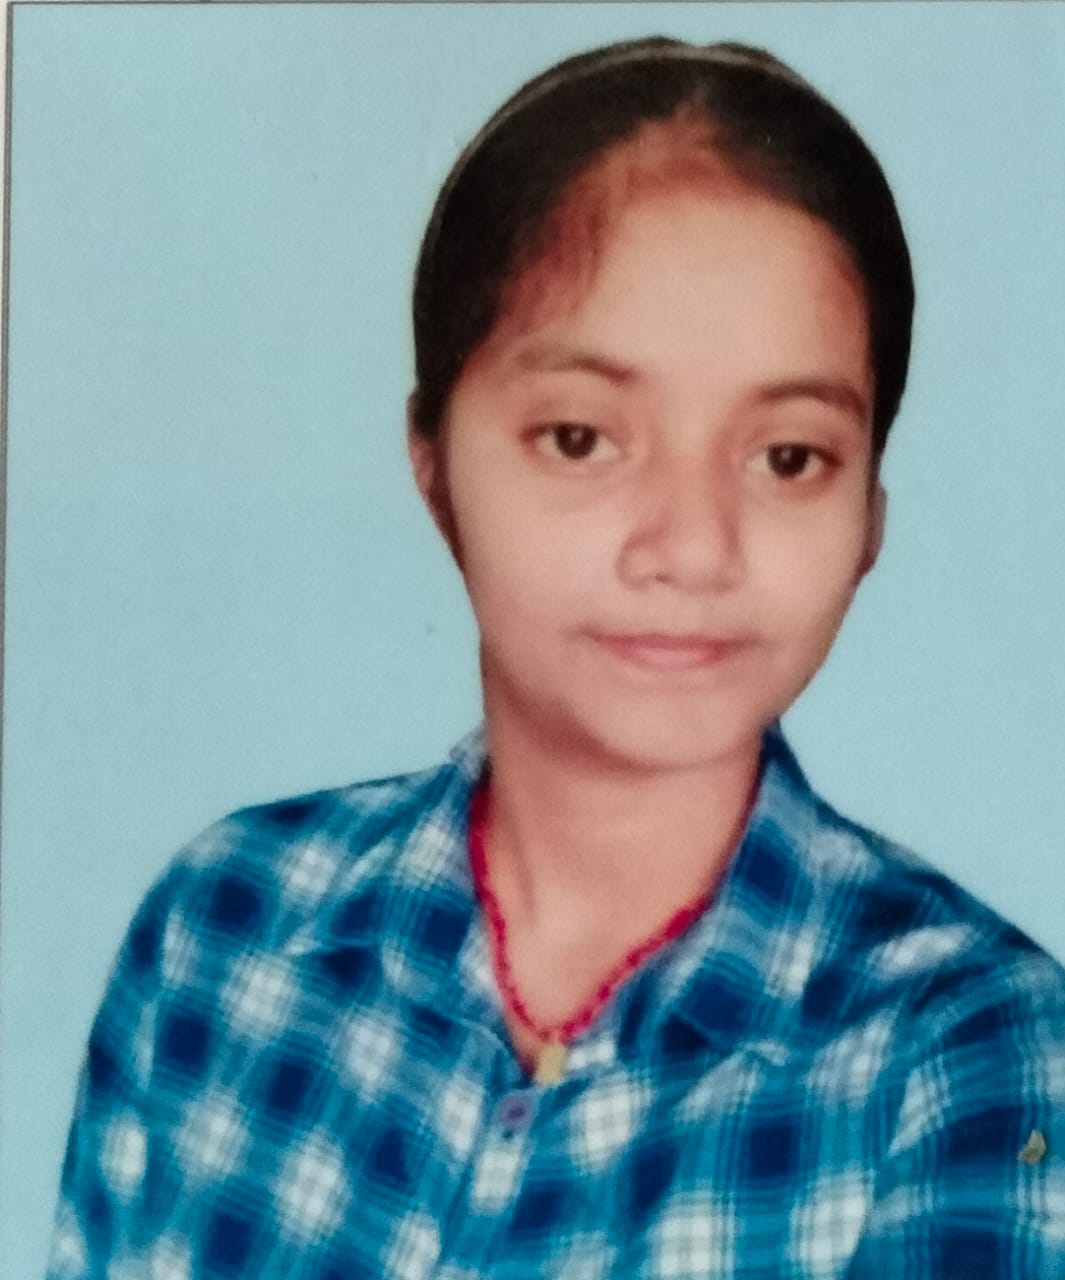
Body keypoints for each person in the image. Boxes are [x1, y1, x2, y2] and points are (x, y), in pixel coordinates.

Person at [46, 36, 1065, 1280]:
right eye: (581, 437)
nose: (693, 546)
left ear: (869, 521)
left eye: (789, 457)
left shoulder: (972, 1050)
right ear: (433, 463)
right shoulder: (224, 926)